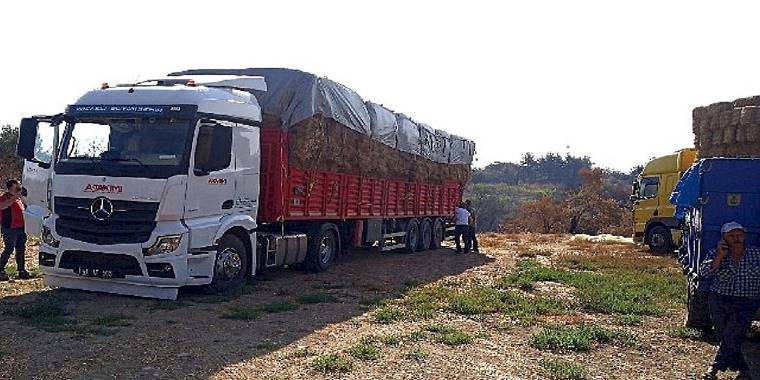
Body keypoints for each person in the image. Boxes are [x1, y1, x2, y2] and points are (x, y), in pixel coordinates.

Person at [700, 222, 760, 380]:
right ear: (724, 238)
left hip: (747, 302)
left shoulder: (756, 254)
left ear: (744, 236)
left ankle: (713, 368)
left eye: (739, 235)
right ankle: (743, 369)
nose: (736, 239)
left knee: (732, 333)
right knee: (725, 335)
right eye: (732, 236)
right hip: (720, 300)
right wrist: (720, 256)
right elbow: (705, 273)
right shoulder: (716, 253)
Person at [0, 179, 29, 281]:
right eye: (17, 186)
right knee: (9, 249)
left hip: (21, 228)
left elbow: (27, 207)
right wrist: (14, 197)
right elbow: (2, 206)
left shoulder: (19, 198)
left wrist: (20, 197)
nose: (19, 187)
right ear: (11, 187)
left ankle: (21, 270)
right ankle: (0, 269)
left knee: (21, 249)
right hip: (9, 229)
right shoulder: (4, 197)